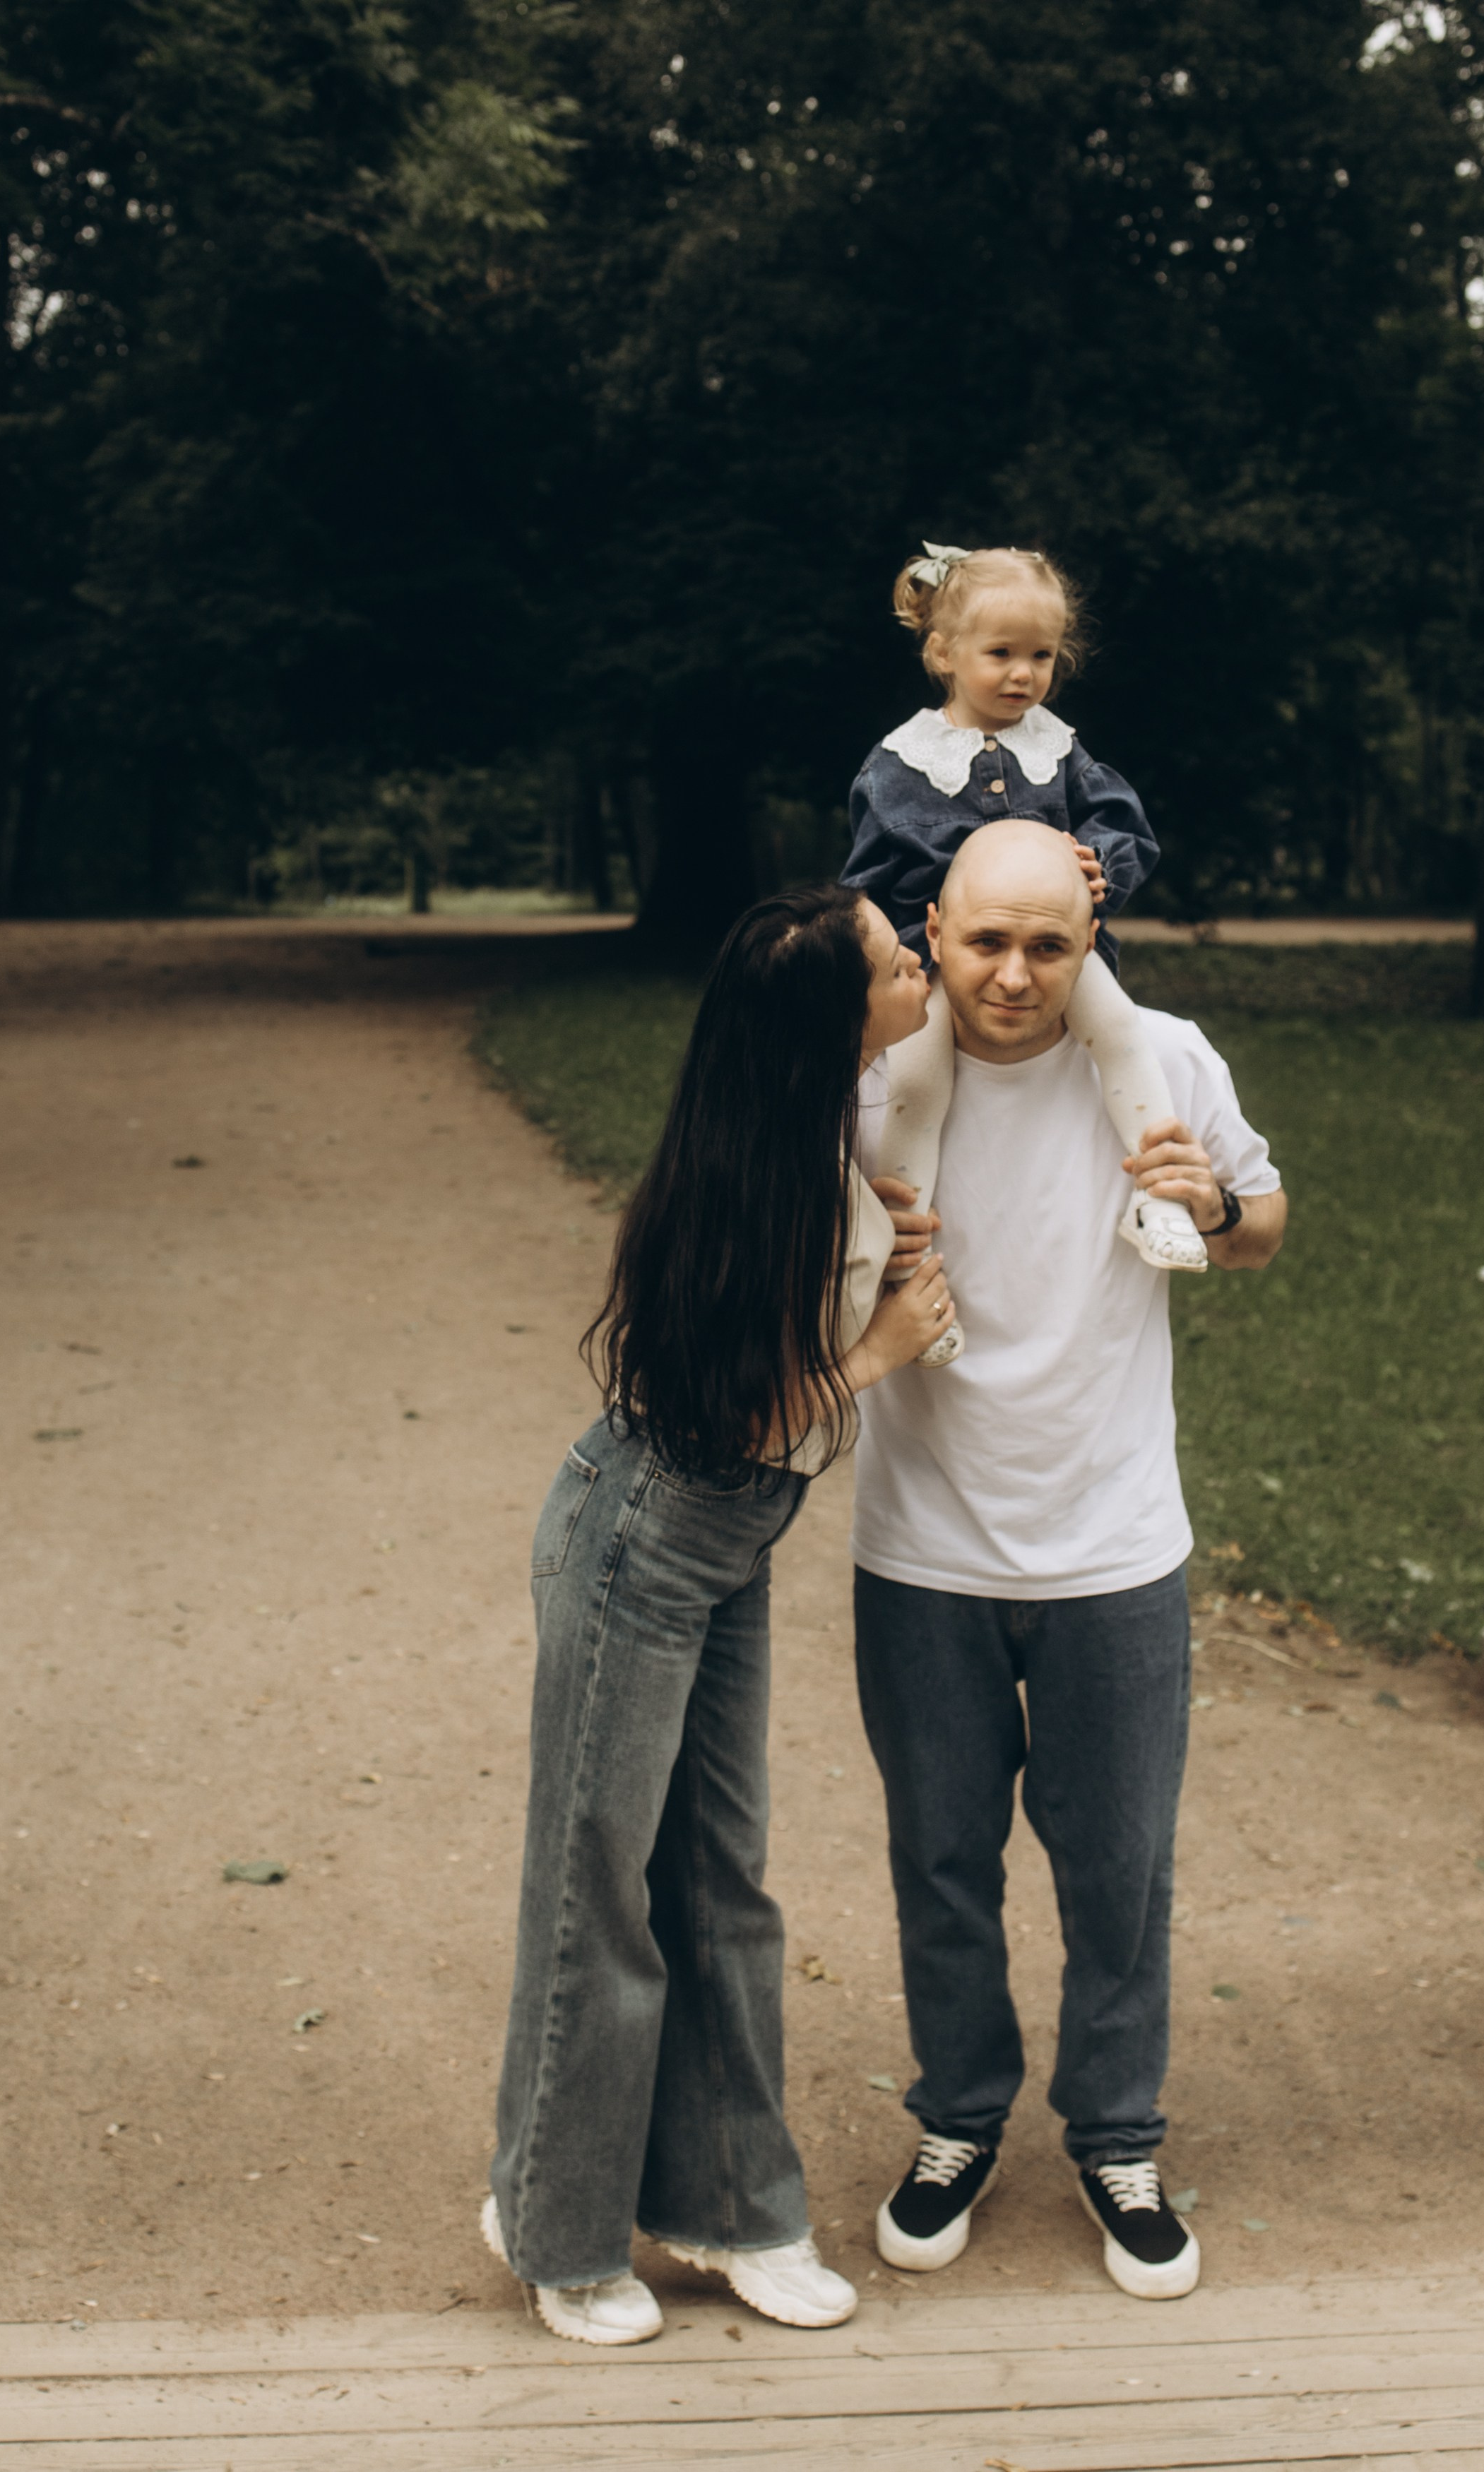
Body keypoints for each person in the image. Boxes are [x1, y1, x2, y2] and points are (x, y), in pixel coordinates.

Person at [483, 886, 954, 2347]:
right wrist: (877, 1344)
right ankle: (553, 2225)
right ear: (837, 1021)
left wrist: (878, 1242)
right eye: (894, 960)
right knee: (598, 1889)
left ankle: (733, 2208)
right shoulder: (773, 1184)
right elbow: (740, 1421)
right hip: (644, 1542)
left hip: (720, 1550)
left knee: (724, 1887)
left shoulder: (804, 1150)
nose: (918, 964)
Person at [853, 819, 1287, 2302]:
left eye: (1049, 944)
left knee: (1116, 1871)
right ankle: (956, 2121)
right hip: (921, 1548)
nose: (1016, 974)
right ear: (933, 926)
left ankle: (1115, 2135)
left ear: (1086, 937)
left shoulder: (1160, 1057)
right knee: (940, 1864)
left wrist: (1214, 1203)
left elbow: (1262, 1223)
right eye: (985, 941)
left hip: (1111, 1549)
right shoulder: (877, 1073)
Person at [842, 543, 1208, 1349]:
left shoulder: (1058, 747)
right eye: (1000, 653)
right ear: (944, 653)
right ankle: (903, 1271)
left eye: (1040, 656)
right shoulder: (901, 764)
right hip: (943, 961)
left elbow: (1122, 827)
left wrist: (1093, 867)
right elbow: (866, 878)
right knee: (917, 1085)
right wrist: (917, 937)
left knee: (1119, 1034)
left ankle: (1161, 1196)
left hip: (1051, 950)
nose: (1022, 675)